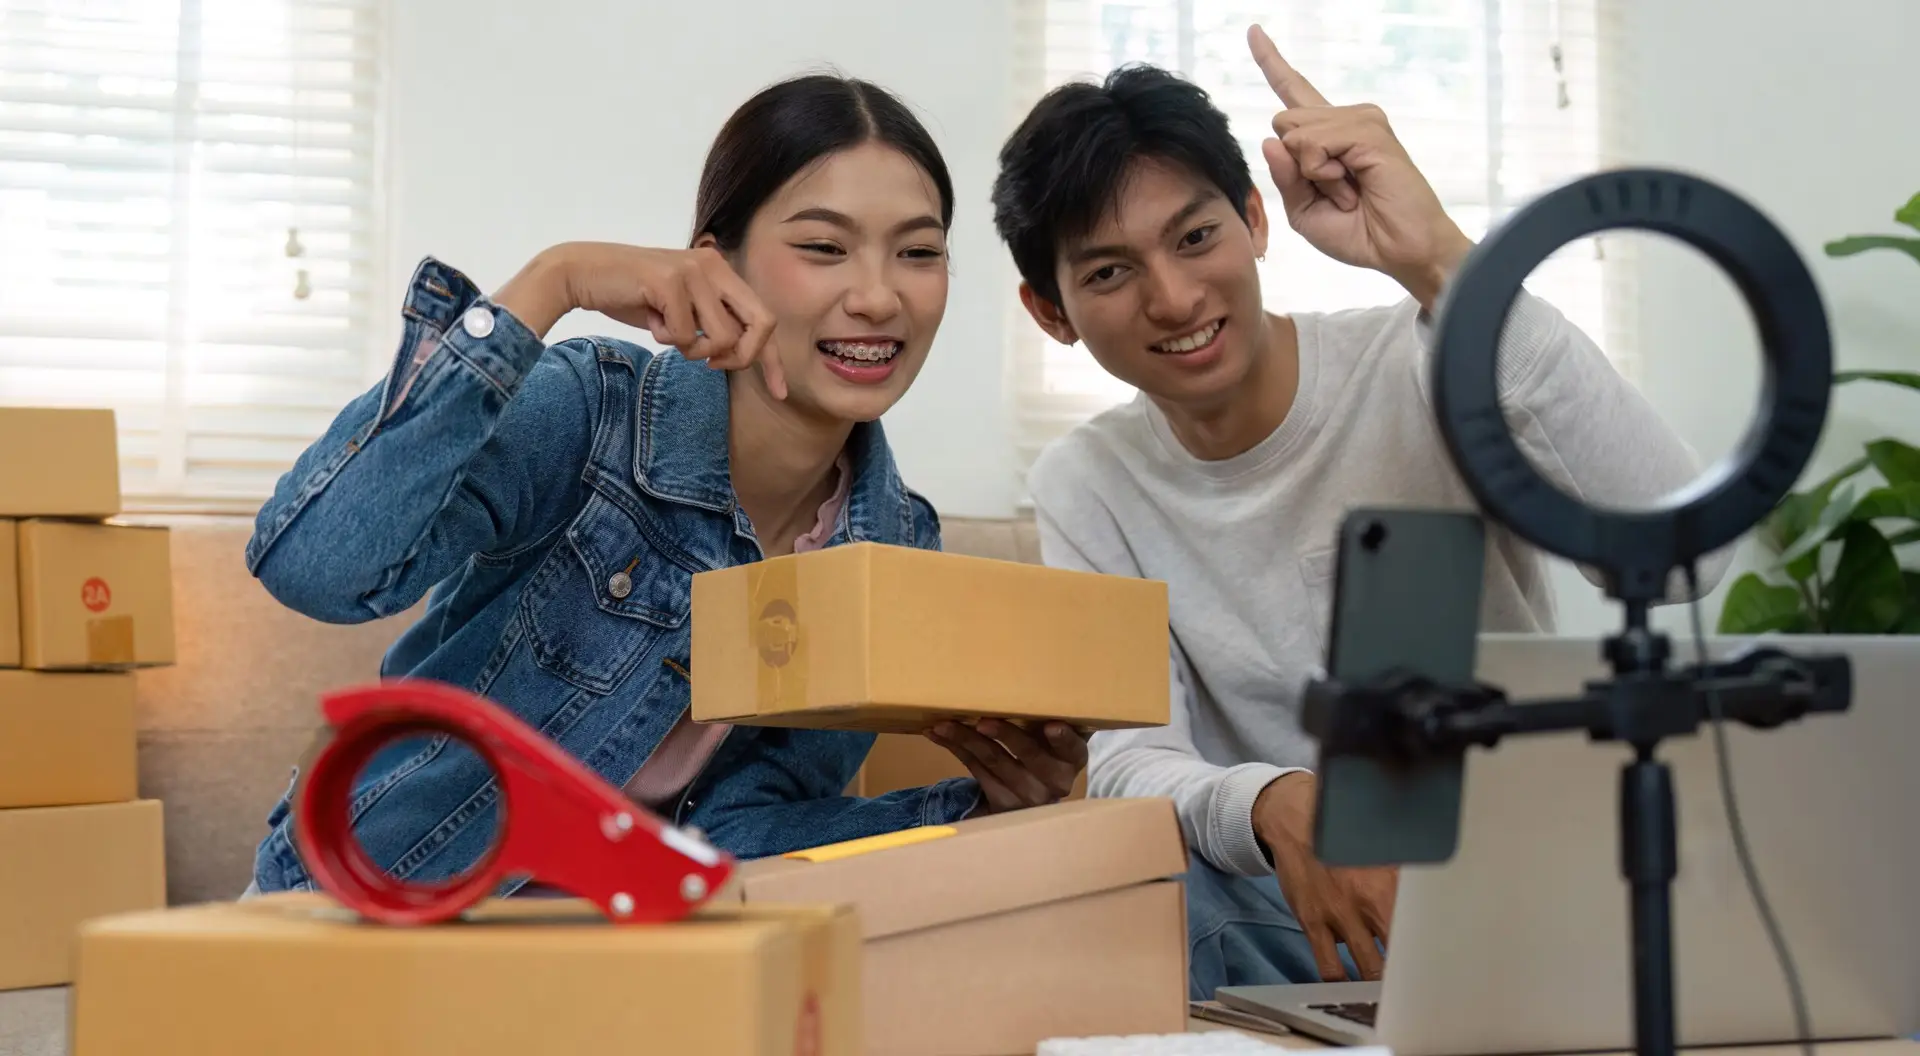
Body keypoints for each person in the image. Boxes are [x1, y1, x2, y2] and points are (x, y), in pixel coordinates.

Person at [989, 28, 1731, 995]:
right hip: (1298, 916)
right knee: (1129, 890)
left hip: (1522, 877)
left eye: (1196, 237)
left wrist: (1444, 265)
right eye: (1108, 273)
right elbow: (1132, 761)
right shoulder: (1086, 481)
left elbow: (1681, 558)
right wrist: (1275, 802)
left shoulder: (1428, 358)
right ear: (1050, 312)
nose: (1173, 298)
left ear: (1256, 219)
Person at [244, 73, 1088, 897]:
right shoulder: (592, 411)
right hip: (363, 910)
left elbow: (735, 837)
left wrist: (975, 809)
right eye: (824, 248)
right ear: (719, 265)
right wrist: (557, 279)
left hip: (604, 958)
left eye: (919, 252)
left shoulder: (893, 544)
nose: (877, 297)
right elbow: (316, 568)